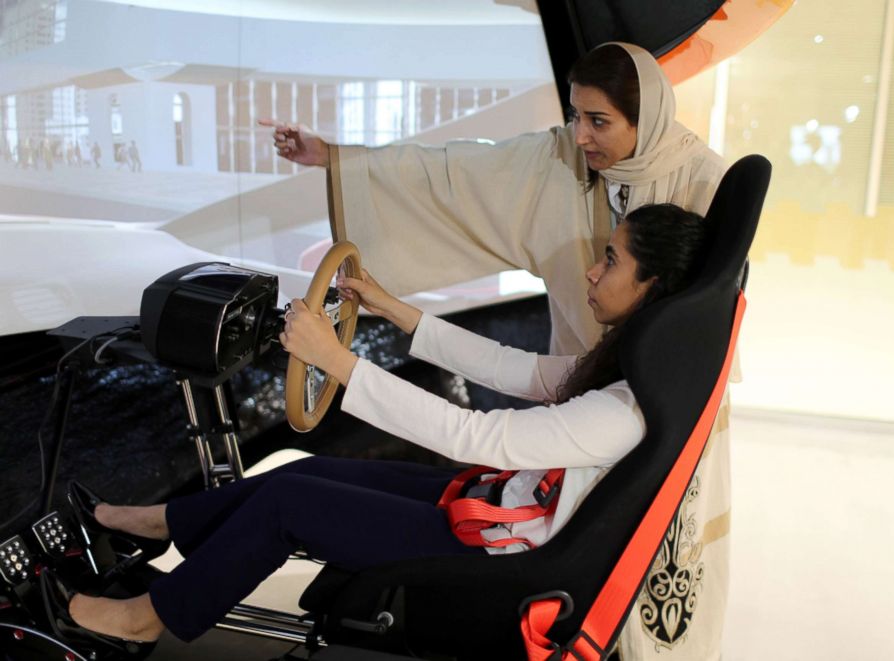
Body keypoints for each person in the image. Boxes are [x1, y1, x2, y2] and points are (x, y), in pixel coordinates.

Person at [53, 203, 711, 647]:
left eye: (612, 262)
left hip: (491, 558)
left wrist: (335, 360)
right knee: (309, 469)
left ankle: (147, 617)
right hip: (500, 510)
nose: (594, 270)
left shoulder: (619, 410)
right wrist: (390, 309)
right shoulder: (629, 374)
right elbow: (516, 368)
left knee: (290, 501)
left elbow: (475, 437)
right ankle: (162, 522)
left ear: (654, 289)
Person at [263, 42, 732, 657]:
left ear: (648, 119)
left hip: (651, 401)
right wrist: (341, 160)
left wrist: (342, 365)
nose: (580, 136)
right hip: (579, 375)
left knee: (648, 554)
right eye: (575, 115)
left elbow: (706, 311)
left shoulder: (703, 178)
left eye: (599, 121)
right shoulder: (564, 157)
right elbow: (457, 172)